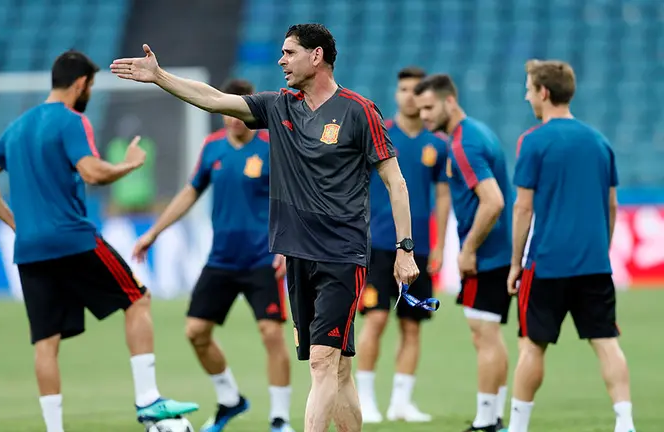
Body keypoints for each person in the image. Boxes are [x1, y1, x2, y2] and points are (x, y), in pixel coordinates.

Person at [111, 23, 421, 432]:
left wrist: (405, 248)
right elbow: (215, 99)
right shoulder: (280, 105)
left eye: (289, 52)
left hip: (342, 256)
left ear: (317, 56)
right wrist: (160, 77)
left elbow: (395, 182)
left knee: (321, 362)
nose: (281, 60)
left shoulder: (358, 110)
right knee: (339, 368)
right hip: (296, 255)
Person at [0, 50, 198, 432]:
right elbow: (92, 173)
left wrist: (15, 223)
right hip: (73, 239)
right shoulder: (71, 121)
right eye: (90, 85)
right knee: (137, 298)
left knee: (46, 342)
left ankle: (55, 429)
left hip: (30, 250)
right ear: (80, 84)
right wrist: (130, 163)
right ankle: (148, 401)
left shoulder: (19, 127)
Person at [132, 78, 295, 432]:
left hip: (262, 259)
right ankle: (230, 399)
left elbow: (291, 197)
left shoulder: (271, 146)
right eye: (226, 113)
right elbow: (190, 193)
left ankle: (280, 419)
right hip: (221, 258)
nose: (233, 119)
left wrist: (285, 244)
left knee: (271, 334)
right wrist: (153, 232)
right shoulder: (212, 147)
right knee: (195, 332)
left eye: (238, 112)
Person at [505, 60, 636, 432]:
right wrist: (602, 248)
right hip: (594, 263)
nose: (526, 95)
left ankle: (518, 426)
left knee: (532, 346)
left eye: (529, 89)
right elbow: (611, 205)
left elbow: (523, 207)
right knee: (607, 342)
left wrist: (515, 264)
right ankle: (625, 421)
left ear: (544, 93)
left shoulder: (533, 141)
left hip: (546, 263)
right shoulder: (599, 141)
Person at [413, 74, 512, 432]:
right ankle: (495, 414)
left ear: (449, 102)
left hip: (488, 254)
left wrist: (468, 249)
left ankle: (486, 420)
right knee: (489, 334)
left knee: (483, 334)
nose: (422, 115)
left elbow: (494, 201)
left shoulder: (463, 144)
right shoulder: (476, 132)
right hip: (499, 251)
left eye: (428, 107)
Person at [355, 66, 450, 424]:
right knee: (376, 319)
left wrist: (439, 243)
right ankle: (365, 398)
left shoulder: (436, 144)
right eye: (404, 89)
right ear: (396, 94)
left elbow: (442, 196)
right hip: (378, 244)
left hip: (420, 248)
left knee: (412, 325)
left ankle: (401, 402)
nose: (409, 96)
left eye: (415, 90)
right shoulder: (379, 136)